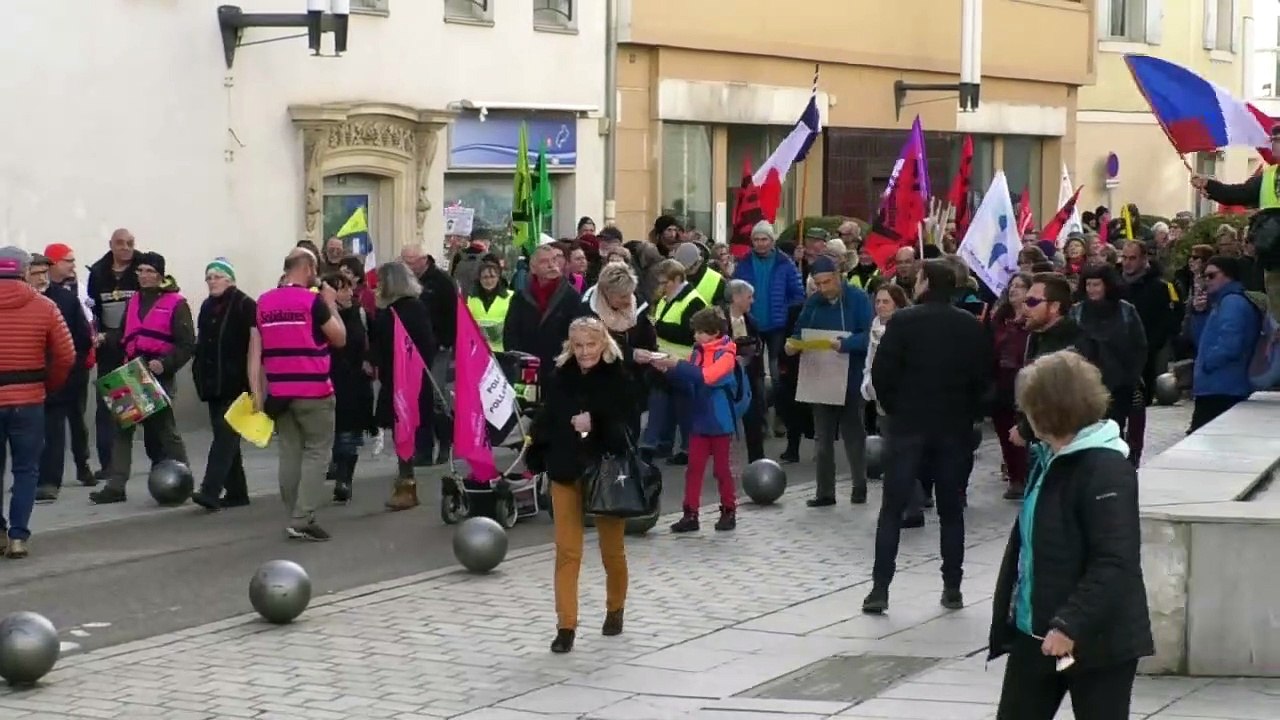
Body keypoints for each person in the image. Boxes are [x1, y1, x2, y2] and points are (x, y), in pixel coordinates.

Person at [990, 350, 1152, 719]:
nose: (1022, 415)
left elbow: (1115, 560)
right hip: (1037, 633)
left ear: (1047, 410)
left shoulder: (1105, 468)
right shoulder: (1051, 457)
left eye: (1027, 408)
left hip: (1096, 641)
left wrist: (1069, 623)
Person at [864, 259, 991, 614]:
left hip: (908, 425)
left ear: (926, 283)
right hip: (953, 427)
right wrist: (969, 414)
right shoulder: (969, 324)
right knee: (951, 512)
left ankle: (880, 589)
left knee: (892, 509)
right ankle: (953, 587)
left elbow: (882, 373)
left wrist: (896, 409)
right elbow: (983, 376)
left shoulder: (904, 321)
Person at [529, 317, 632, 654]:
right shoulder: (559, 377)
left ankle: (615, 608)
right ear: (569, 346)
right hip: (566, 469)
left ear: (603, 343)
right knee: (567, 551)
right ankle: (566, 626)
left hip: (605, 471)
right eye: (578, 346)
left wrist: (595, 423)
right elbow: (547, 419)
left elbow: (627, 431)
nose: (585, 352)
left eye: (591, 344)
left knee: (612, 549)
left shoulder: (618, 377)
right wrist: (536, 450)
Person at [247, 249, 346, 540]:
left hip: (280, 393)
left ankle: (293, 512)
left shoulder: (263, 302)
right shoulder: (312, 301)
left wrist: (257, 392)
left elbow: (254, 352)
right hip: (314, 390)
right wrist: (332, 304)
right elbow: (339, 338)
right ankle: (302, 517)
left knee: (289, 452)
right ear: (308, 268)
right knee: (317, 452)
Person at [89, 252, 193, 505]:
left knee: (165, 431)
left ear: (160, 275)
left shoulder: (177, 303)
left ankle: (185, 478)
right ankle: (116, 486)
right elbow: (125, 333)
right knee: (123, 428)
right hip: (133, 371)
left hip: (158, 374)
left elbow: (187, 344)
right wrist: (106, 337)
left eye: (149, 271)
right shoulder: (135, 300)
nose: (144, 276)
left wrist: (165, 364)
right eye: (141, 271)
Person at [0, 247, 75, 558]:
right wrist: (48, 384)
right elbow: (66, 355)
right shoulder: (45, 306)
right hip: (29, 400)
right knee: (26, 470)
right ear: (24, 271)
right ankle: (18, 536)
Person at [787, 255, 873, 506]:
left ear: (837, 276)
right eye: (818, 284)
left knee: (853, 435)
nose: (823, 289)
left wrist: (846, 344)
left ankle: (859, 486)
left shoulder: (857, 298)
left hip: (850, 375)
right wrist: (793, 344)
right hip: (821, 377)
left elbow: (869, 334)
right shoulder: (814, 302)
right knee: (822, 438)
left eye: (827, 282)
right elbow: (799, 330)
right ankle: (825, 491)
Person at [653, 307, 743, 532]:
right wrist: (666, 370)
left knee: (722, 470)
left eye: (700, 332)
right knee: (693, 469)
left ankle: (728, 510)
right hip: (699, 418)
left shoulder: (726, 355)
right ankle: (690, 513)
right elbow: (689, 380)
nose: (695, 336)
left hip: (720, 421)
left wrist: (677, 365)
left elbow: (707, 377)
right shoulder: (699, 352)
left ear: (714, 332)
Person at [190, 258, 257, 511]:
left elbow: (255, 344)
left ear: (230, 279)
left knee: (224, 438)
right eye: (209, 277)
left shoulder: (245, 304)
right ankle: (238, 492)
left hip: (237, 384)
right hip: (212, 383)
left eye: (217, 276)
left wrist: (255, 384)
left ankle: (210, 490)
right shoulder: (207, 306)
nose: (212, 281)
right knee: (226, 438)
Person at [372, 261, 437, 510]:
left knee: (405, 429)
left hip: (408, 378)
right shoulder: (390, 310)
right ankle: (405, 480)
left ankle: (407, 484)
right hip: (393, 376)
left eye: (381, 281)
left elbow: (425, 344)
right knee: (400, 430)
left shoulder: (410, 309)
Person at [33, 250, 93, 503]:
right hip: (26, 380)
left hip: (60, 377)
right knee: (30, 434)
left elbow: (82, 338)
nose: (41, 278)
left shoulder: (64, 300)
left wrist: (69, 368)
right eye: (35, 273)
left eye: (43, 272)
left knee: (55, 430)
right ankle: (29, 478)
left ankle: (50, 481)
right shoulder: (19, 301)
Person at [86, 228, 142, 480]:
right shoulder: (98, 272)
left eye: (130, 243)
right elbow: (92, 310)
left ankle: (162, 460)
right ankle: (109, 464)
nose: (126, 248)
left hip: (136, 347)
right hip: (108, 349)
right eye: (120, 243)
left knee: (141, 405)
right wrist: (98, 335)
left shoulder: (143, 268)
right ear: (111, 245)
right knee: (108, 406)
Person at [1186, 256, 1265, 432]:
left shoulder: (1232, 302)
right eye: (1205, 276)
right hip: (1216, 386)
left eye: (1212, 276)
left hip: (1223, 387)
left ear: (1228, 276)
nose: (1207, 281)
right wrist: (1199, 314)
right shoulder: (1221, 303)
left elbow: (1231, 345)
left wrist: (1207, 364)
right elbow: (1202, 340)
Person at [1070, 264, 1147, 438]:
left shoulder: (1126, 310)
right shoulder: (1077, 312)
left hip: (1119, 385)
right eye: (1088, 284)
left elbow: (1139, 346)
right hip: (1086, 385)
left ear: (1107, 285)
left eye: (1096, 284)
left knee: (1114, 430)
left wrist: (1131, 376)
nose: (1091, 289)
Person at [582, 262, 657, 439]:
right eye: (622, 296)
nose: (628, 300)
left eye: (630, 294)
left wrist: (652, 355)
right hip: (600, 378)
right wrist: (631, 354)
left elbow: (647, 336)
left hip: (633, 379)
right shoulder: (587, 310)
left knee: (631, 430)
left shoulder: (638, 303)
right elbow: (593, 344)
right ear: (607, 293)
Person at [643, 258, 707, 464]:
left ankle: (687, 448)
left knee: (684, 408)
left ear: (678, 279)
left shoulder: (694, 301)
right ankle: (659, 443)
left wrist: (657, 327)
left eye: (665, 282)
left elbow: (689, 334)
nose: (662, 286)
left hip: (684, 363)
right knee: (663, 402)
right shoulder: (665, 299)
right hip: (662, 361)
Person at [322, 272, 373, 504]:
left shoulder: (360, 313)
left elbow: (372, 340)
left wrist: (369, 360)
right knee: (334, 433)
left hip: (356, 382)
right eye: (342, 289)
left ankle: (345, 479)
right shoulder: (321, 316)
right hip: (330, 379)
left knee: (349, 435)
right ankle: (336, 468)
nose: (349, 293)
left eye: (349, 288)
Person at [503, 242, 586, 381]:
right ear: (533, 268)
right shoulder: (521, 297)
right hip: (527, 370)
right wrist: (518, 363)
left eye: (554, 260)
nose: (551, 265)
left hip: (561, 371)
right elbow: (510, 335)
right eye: (544, 261)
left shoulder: (571, 297)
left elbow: (578, 335)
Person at [989, 273, 1033, 499]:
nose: (1014, 289)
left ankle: (1028, 475)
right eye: (1012, 285)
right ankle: (1015, 477)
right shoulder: (999, 319)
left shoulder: (1033, 319)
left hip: (1025, 379)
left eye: (1020, 286)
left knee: (1025, 429)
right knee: (1005, 431)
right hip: (1002, 381)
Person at [724, 279, 766, 462]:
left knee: (753, 420)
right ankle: (724, 465)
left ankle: (757, 462)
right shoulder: (718, 321)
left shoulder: (752, 322)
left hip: (749, 378)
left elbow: (758, 350)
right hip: (725, 380)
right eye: (749, 297)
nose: (752, 301)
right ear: (736, 297)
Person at [465, 257, 512, 352]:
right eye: (485, 277)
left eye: (492, 277)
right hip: (478, 351)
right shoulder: (470, 298)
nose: (489, 281)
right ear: (480, 279)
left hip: (502, 351)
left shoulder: (511, 297)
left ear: (498, 278)